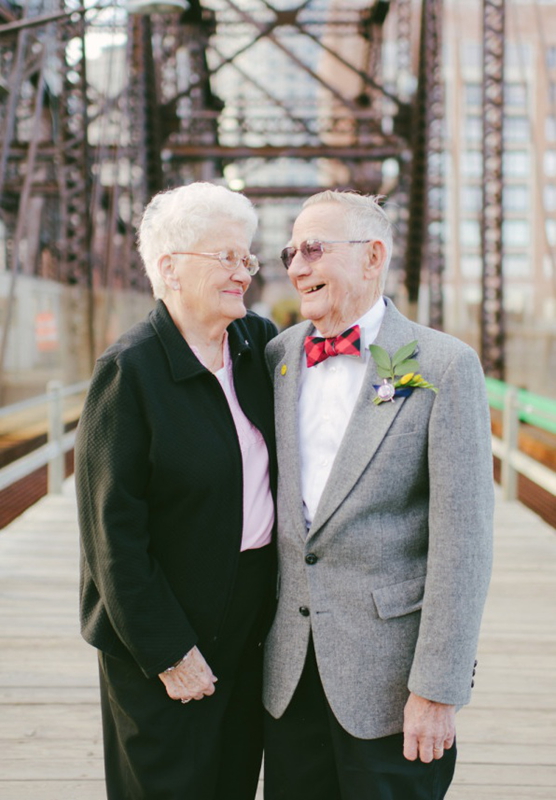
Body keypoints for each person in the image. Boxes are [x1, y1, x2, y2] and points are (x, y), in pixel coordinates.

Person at [262, 190, 494, 800]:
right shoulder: (279, 357)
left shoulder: (442, 366)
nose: (297, 265)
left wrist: (438, 688)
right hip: (288, 676)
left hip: (393, 685)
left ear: (372, 257)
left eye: (314, 248)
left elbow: (463, 543)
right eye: (291, 251)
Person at [75, 182, 277, 800]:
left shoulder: (256, 345)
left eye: (247, 258)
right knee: (169, 784)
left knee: (233, 781)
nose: (243, 272)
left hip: (249, 618)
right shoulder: (129, 371)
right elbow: (112, 539)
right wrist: (168, 651)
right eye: (226, 257)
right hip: (165, 623)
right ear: (168, 267)